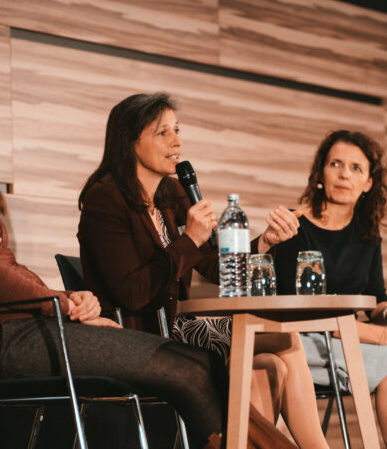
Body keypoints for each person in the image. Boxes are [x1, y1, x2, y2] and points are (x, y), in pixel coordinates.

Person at [0, 64, 244, 449]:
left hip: (27, 328)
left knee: (202, 362)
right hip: (0, 341)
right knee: (187, 367)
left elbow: (4, 265)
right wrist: (60, 303)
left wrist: (63, 299)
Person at [77, 92, 327, 448]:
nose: (177, 141)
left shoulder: (172, 193)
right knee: (274, 346)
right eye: (162, 133)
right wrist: (190, 239)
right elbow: (132, 293)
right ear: (130, 141)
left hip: (178, 323)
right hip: (139, 332)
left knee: (271, 360)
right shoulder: (106, 198)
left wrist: (265, 243)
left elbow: (212, 264)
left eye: (177, 130)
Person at [271, 130, 387, 448]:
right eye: (336, 164)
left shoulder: (367, 233)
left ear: (369, 183)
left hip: (352, 336)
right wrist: (383, 336)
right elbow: (302, 312)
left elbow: (375, 296)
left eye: (356, 168)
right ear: (321, 173)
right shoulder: (294, 225)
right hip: (306, 339)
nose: (344, 174)